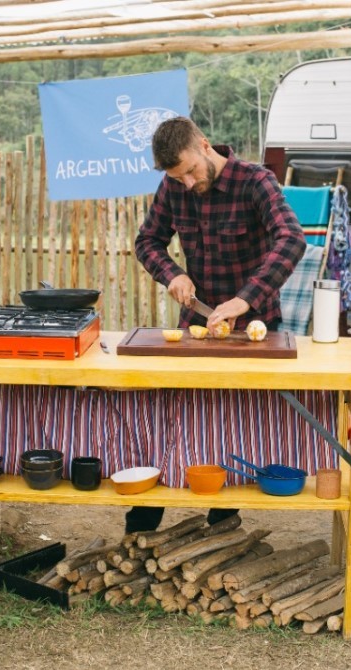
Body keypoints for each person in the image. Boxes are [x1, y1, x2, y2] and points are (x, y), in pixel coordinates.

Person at [128, 116, 306, 533]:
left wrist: (245, 299)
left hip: (255, 327)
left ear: (205, 146)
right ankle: (146, 516)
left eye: (190, 171)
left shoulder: (255, 181)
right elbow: (146, 242)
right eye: (178, 177)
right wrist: (172, 273)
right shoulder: (174, 186)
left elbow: (291, 239)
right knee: (175, 416)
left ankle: (224, 517)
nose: (187, 184)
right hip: (196, 325)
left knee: (237, 420)